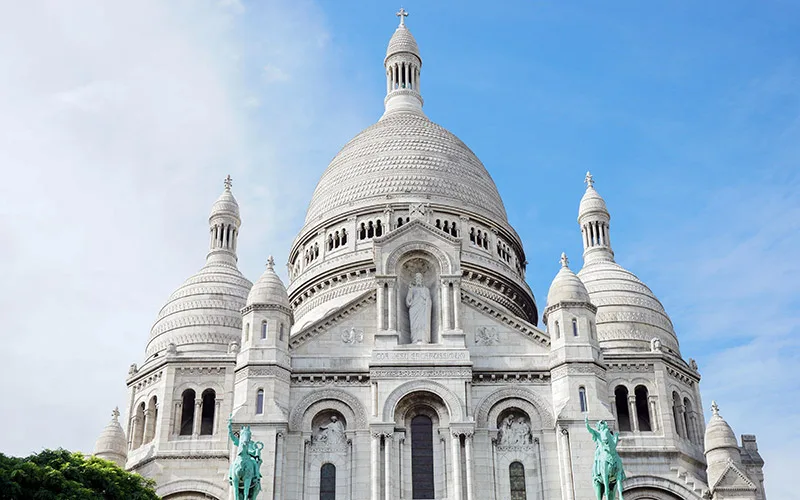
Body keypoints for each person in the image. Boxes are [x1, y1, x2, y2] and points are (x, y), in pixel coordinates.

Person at [406, 272, 431, 343]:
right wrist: (410, 290)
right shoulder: (412, 289)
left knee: (423, 324)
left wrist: (425, 298)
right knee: (414, 324)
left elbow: (429, 300)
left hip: (423, 309)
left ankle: (424, 339)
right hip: (414, 309)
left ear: (422, 280)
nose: (418, 280)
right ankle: (415, 339)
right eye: (417, 278)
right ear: (415, 280)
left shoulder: (426, 289)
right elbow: (408, 301)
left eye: (420, 278)